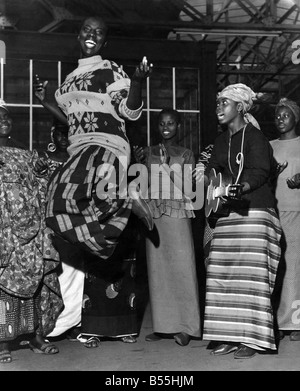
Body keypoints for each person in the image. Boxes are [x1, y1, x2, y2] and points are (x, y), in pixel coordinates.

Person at [33, 15, 153, 263]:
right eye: (87, 30)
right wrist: (45, 101)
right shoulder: (68, 81)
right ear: (78, 35)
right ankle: (123, 207)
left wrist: (138, 81)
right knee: (56, 212)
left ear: (104, 42)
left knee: (64, 201)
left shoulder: (109, 70)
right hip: (79, 150)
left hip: (104, 145)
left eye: (98, 33)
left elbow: (129, 111)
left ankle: (123, 200)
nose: (92, 35)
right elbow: (72, 120)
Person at [196, 83, 282, 359]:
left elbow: (260, 172)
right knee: (222, 276)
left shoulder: (256, 138)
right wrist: (209, 178)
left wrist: (241, 188)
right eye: (218, 103)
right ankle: (230, 336)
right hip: (227, 215)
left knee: (252, 279)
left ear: (241, 108)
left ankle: (253, 340)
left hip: (256, 212)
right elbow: (215, 171)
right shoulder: (221, 141)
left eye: (225, 103)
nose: (219, 108)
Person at [0, 100, 63, 364]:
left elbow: (42, 176)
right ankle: (3, 342)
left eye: (7, 118)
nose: (5, 121)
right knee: (3, 284)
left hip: (30, 224)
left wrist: (40, 171)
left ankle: (37, 337)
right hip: (5, 230)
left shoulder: (22, 150)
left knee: (38, 278)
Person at [133, 108, 201, 346]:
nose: (166, 127)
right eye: (162, 123)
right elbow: (140, 184)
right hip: (154, 215)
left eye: (171, 123)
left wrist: (164, 165)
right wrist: (137, 160)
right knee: (158, 272)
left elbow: (190, 190)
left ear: (178, 126)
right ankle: (164, 326)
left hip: (177, 213)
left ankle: (186, 327)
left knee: (182, 269)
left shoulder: (186, 153)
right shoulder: (148, 152)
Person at [270, 97, 300, 341]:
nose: (280, 119)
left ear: (295, 118)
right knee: (275, 269)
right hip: (273, 212)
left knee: (294, 268)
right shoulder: (268, 146)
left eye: (285, 115)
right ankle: (276, 321)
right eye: (277, 116)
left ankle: (295, 322)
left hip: (297, 212)